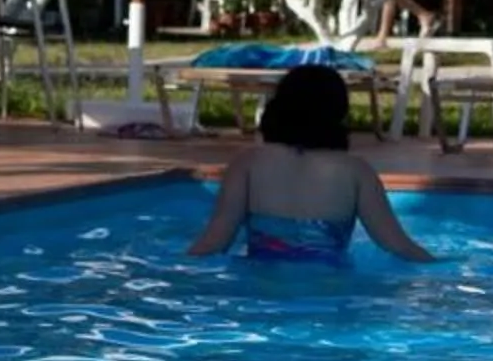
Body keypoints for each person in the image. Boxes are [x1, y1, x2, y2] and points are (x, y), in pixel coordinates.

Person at [185, 63, 434, 263]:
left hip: (262, 289)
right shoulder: (356, 172)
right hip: (330, 292)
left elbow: (214, 242)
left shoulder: (248, 164)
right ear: (338, 112)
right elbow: (397, 245)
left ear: (280, 107)